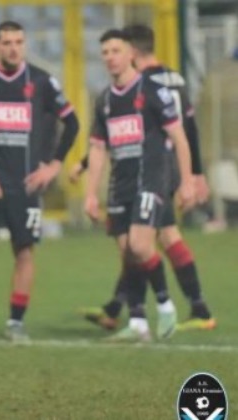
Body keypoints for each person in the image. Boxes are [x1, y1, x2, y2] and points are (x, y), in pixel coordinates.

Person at [76, 24, 216, 332]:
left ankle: (166, 307)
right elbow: (98, 148)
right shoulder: (105, 100)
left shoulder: (154, 90)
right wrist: (89, 193)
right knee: (130, 253)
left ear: (131, 54)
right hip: (120, 184)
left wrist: (189, 179)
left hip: (151, 180)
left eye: (116, 51)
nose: (111, 57)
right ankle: (137, 320)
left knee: (141, 246)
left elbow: (180, 136)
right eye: (105, 53)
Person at [0, 21, 80, 342]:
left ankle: (16, 322)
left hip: (25, 184)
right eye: (7, 42)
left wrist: (53, 166)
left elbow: (72, 123)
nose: (13, 47)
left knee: (24, 251)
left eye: (18, 42)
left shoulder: (41, 81)